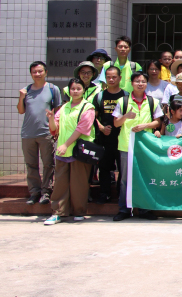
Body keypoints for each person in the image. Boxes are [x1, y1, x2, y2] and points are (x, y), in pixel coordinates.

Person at [43, 78, 96, 225]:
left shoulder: (88, 108)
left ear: (83, 90)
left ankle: (79, 212)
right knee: (60, 183)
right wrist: (52, 118)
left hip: (78, 151)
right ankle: (57, 212)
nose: (75, 91)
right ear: (69, 90)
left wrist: (66, 144)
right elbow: (55, 128)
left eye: (78, 88)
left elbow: (82, 129)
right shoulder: (65, 107)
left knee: (79, 183)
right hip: (62, 151)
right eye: (73, 88)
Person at [111, 72, 163, 221]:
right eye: (137, 81)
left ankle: (145, 209)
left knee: (144, 177)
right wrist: (126, 116)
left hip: (145, 146)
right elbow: (116, 123)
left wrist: (145, 125)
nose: (140, 84)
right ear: (131, 83)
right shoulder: (123, 101)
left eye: (143, 81)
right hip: (126, 145)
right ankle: (124, 209)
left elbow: (157, 122)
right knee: (125, 179)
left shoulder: (152, 101)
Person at [19, 61, 61, 206]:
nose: (37, 74)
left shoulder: (52, 89)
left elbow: (58, 110)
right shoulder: (26, 90)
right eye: (34, 72)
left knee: (48, 164)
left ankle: (46, 192)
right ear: (31, 74)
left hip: (45, 133)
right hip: (28, 133)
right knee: (31, 164)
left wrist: (56, 128)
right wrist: (21, 97)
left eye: (40, 71)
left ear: (45, 72)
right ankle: (34, 192)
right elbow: (21, 110)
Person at [92, 66, 126, 204]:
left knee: (122, 169)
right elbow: (92, 116)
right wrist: (100, 127)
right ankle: (104, 193)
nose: (111, 79)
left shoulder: (126, 96)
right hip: (105, 139)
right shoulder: (100, 96)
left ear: (120, 78)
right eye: (108, 77)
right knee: (104, 168)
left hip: (122, 139)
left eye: (114, 77)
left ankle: (120, 195)